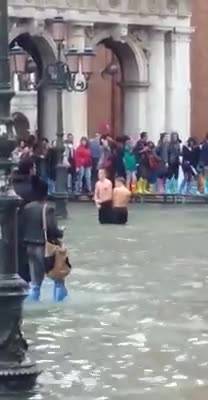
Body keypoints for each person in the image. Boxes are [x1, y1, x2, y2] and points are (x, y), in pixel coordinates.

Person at [21, 180, 66, 302]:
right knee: (58, 278)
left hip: (29, 247)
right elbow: (52, 230)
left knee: (35, 282)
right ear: (46, 193)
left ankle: (33, 302)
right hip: (44, 248)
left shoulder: (26, 208)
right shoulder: (48, 208)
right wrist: (61, 232)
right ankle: (59, 303)